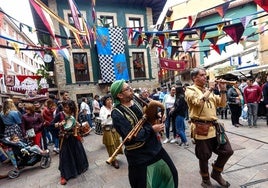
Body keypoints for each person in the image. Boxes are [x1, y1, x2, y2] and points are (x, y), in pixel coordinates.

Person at [110, 80, 178, 188]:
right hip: (138, 155)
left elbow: (148, 116)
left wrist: (157, 115)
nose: (131, 90)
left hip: (154, 146)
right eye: (127, 89)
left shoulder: (136, 101)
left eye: (130, 87)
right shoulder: (117, 113)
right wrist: (152, 129)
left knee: (171, 173)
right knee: (145, 184)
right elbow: (131, 137)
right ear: (120, 95)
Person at [185, 67, 233, 187]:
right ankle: (205, 180)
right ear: (194, 78)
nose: (204, 77)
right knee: (204, 156)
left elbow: (222, 103)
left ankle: (216, 173)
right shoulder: (190, 90)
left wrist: (222, 91)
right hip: (201, 127)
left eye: (205, 75)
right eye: (201, 75)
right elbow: (198, 102)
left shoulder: (208, 90)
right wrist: (211, 88)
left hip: (214, 127)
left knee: (227, 151)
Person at [51, 100, 88, 185]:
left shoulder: (73, 114)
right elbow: (51, 124)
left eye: (67, 107)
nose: (65, 108)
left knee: (77, 153)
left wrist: (79, 125)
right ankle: (64, 175)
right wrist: (59, 124)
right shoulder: (60, 114)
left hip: (74, 137)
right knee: (65, 156)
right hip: (65, 138)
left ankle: (79, 168)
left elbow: (77, 123)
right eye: (64, 107)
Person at [99, 94, 122, 169]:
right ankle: (113, 160)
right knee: (111, 145)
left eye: (110, 99)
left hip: (115, 128)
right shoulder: (103, 109)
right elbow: (103, 121)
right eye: (107, 100)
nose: (109, 101)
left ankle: (114, 157)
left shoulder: (113, 107)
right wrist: (109, 115)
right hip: (108, 129)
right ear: (104, 102)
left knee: (116, 143)